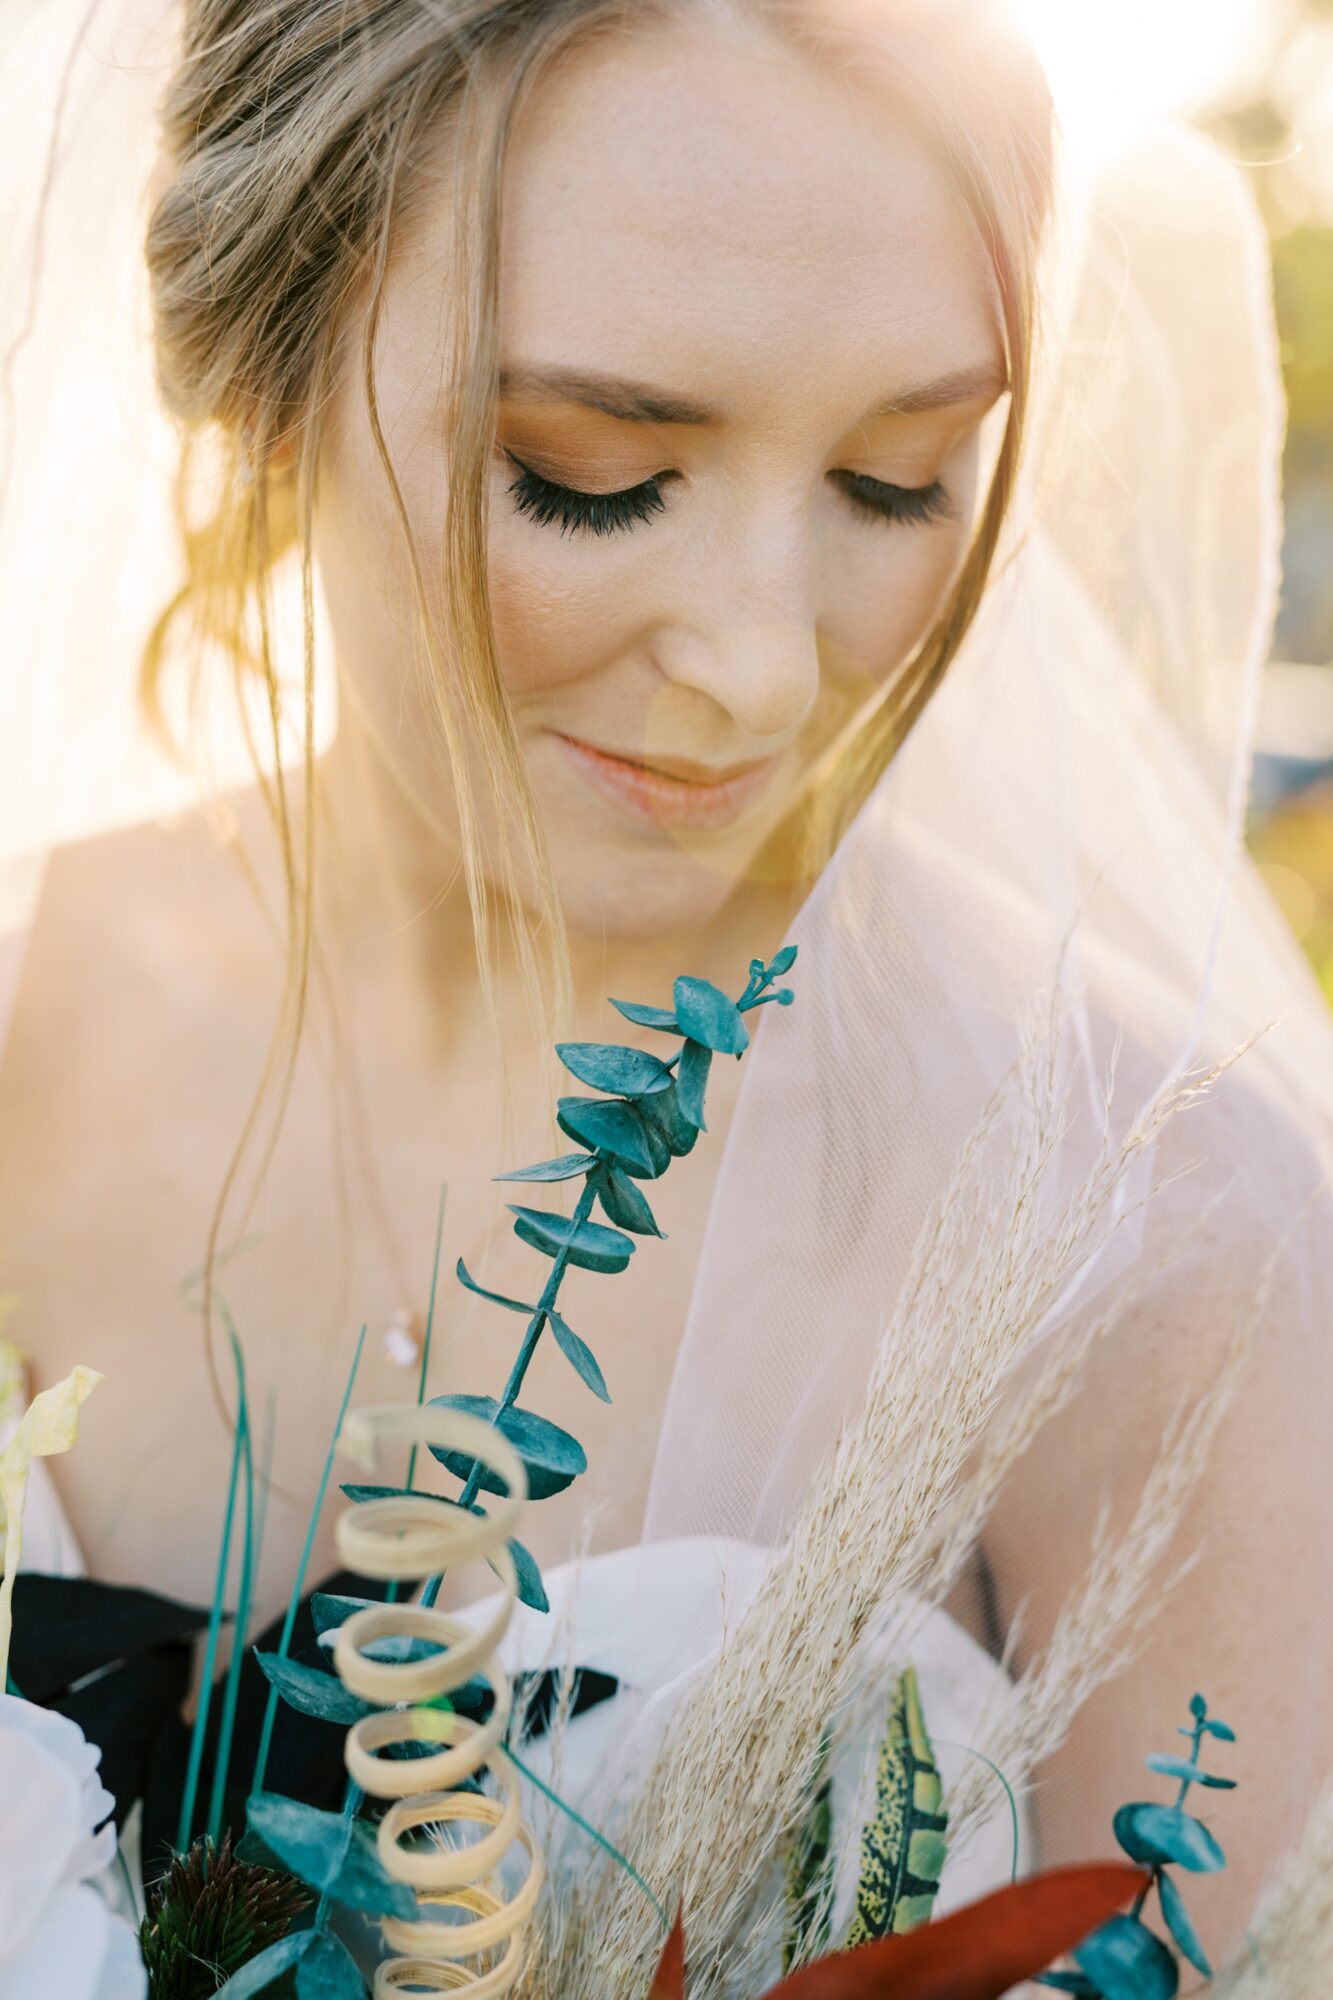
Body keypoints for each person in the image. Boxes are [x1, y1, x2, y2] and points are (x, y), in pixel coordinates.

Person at [1, 0, 1330, 1979]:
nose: (768, 671)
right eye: (591, 473)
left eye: (898, 479)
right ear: (255, 370)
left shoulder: (1163, 1239)